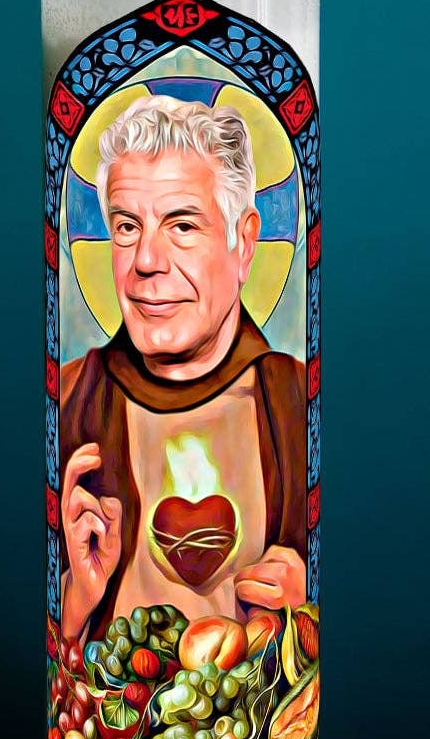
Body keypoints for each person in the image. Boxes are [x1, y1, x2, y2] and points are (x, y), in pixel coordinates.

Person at [59, 94, 306, 641]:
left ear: (244, 243)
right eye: (127, 226)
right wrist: (75, 602)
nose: (146, 261)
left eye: (183, 226)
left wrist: (309, 614)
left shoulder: (303, 404)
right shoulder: (66, 400)